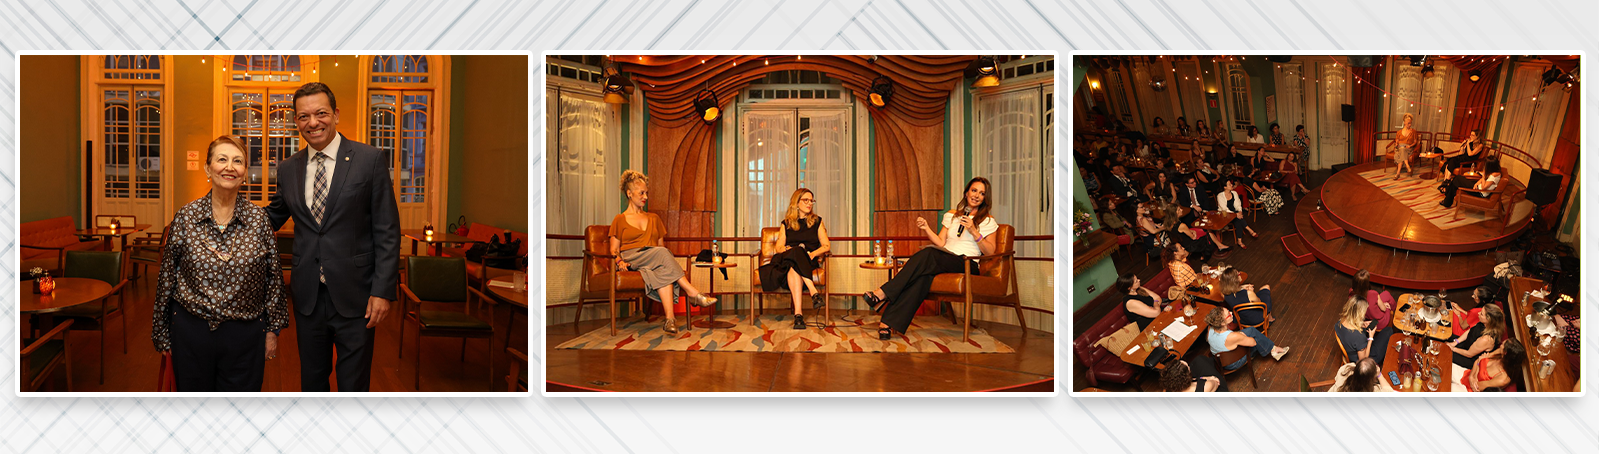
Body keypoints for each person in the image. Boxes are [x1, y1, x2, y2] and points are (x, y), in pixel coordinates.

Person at [265, 82, 398, 392]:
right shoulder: (288, 169)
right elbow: (271, 217)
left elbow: (387, 230)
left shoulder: (369, 159)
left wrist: (382, 291)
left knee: (353, 385)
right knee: (312, 382)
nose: (313, 123)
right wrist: (223, 214)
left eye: (321, 113)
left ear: (336, 114)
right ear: (296, 121)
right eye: (304, 116)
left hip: (358, 295)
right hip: (308, 296)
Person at [152, 136, 291, 392]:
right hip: (191, 333)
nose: (230, 167)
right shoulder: (186, 217)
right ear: (208, 168)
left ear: (244, 172)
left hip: (246, 335)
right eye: (222, 159)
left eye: (238, 161)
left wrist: (273, 330)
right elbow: (167, 277)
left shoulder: (259, 220)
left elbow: (274, 277)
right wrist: (161, 332)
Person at [863, 177, 999, 340]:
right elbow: (941, 242)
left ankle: (882, 293)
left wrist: (974, 231)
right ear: (966, 192)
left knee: (929, 253)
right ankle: (887, 323)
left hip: (967, 262)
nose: (976, 195)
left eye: (982, 193)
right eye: (974, 190)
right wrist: (926, 228)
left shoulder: (988, 221)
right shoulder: (952, 215)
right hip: (945, 258)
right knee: (923, 278)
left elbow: (990, 251)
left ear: (985, 198)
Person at [610, 170, 718, 334]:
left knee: (664, 271)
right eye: (641, 193)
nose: (645, 197)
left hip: (652, 259)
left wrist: (659, 258)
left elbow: (660, 247)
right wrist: (619, 262)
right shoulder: (620, 219)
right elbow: (614, 249)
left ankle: (670, 320)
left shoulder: (654, 218)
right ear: (629, 193)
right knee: (661, 253)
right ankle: (693, 293)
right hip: (632, 258)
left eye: (646, 193)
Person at [758, 188, 832, 329]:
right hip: (786, 259)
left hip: (808, 260)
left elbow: (826, 246)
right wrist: (790, 250)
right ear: (796, 203)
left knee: (794, 267)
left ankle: (798, 315)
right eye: (806, 200)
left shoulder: (817, 221)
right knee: (797, 251)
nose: (809, 203)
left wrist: (812, 254)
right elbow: (779, 247)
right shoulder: (786, 223)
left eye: (811, 201)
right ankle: (813, 292)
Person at [1206, 307, 1290, 371]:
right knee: (1256, 339)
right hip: (1232, 363)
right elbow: (1253, 342)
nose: (1231, 313)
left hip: (1219, 360)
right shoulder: (1232, 336)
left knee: (1251, 330)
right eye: (1228, 314)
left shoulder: (1210, 328)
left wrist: (1239, 335)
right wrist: (1241, 335)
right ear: (1222, 323)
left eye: (1228, 310)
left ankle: (1273, 348)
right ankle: (1273, 349)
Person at [1334, 296, 1395, 366]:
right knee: (1388, 330)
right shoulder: (1359, 336)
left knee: (1377, 333)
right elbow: (1363, 360)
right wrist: (1371, 338)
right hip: (1363, 360)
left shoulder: (1339, 323)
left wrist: (1362, 324)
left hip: (1351, 348)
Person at [1453, 340, 1525, 392]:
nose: (1501, 345)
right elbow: (1479, 359)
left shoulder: (1503, 379)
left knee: (1449, 388)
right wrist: (1472, 376)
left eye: (1503, 345)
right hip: (1467, 374)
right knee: (1447, 367)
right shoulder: (1499, 353)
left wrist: (1478, 365)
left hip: (1468, 391)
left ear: (1505, 353)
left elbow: (1477, 387)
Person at [1450, 304, 1505, 369]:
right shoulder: (1484, 323)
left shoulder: (1486, 339)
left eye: (1481, 314)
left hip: (1468, 357)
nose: (1478, 313)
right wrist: (1455, 342)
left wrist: (1452, 348)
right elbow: (1471, 331)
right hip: (1466, 344)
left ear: (1488, 320)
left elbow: (1469, 354)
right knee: (1444, 338)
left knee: (1445, 352)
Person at [1215, 178, 1258, 247]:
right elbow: (1224, 209)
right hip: (1225, 214)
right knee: (1238, 219)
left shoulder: (1234, 193)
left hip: (1235, 212)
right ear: (1225, 187)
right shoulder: (1220, 196)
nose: (1232, 185)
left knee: (1238, 221)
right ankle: (1249, 230)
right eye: (1229, 184)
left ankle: (1239, 241)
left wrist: (1239, 211)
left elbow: (1238, 204)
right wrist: (1236, 214)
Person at [1161, 355, 1226, 392]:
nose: (1189, 367)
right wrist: (1210, 378)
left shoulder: (1168, 388)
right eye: (1188, 367)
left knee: (1198, 360)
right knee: (1201, 360)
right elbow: (1216, 382)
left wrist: (1203, 378)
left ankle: (1212, 360)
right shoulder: (1205, 386)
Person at [1328, 357, 1395, 392]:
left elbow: (1336, 379)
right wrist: (1379, 374)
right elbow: (1389, 391)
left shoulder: (1345, 369)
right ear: (1371, 379)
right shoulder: (1374, 391)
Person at [1387, 113, 1418, 178]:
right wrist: (1396, 144)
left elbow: (1415, 142)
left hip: (1408, 148)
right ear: (1404, 123)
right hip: (1400, 148)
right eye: (1408, 123)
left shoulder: (1413, 131)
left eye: (1410, 123)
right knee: (1402, 150)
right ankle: (1407, 165)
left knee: (1402, 151)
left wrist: (1410, 146)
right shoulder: (1399, 132)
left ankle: (1398, 173)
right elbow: (1397, 142)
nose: (1410, 125)